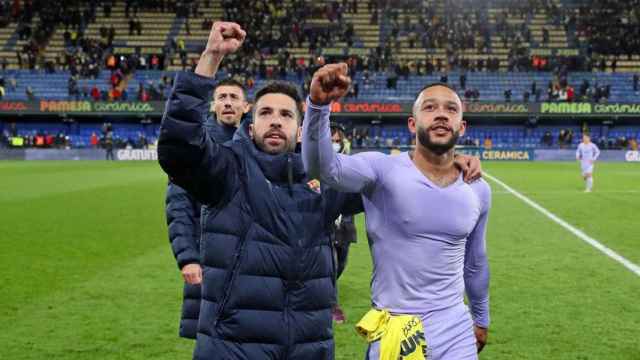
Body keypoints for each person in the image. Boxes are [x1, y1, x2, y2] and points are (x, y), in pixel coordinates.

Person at [157, 22, 367, 359]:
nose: (275, 120)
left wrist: (446, 160)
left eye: (286, 114)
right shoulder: (227, 170)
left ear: (300, 131)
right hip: (232, 346)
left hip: (308, 346)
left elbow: (388, 184)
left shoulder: (325, 180)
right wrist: (210, 57)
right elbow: (178, 148)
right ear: (250, 125)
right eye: (265, 112)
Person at [302, 63, 490, 360]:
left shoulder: (478, 188)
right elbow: (322, 168)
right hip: (395, 328)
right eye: (429, 107)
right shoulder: (382, 170)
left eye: (451, 109)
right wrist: (318, 107)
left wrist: (481, 318)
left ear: (461, 126)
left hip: (455, 328)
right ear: (412, 124)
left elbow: (475, 261)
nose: (441, 114)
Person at [165, 77, 249, 340]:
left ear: (246, 107)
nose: (227, 103)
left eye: (234, 97)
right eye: (222, 97)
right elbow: (178, 204)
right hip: (209, 256)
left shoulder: (255, 143)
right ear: (213, 105)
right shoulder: (197, 145)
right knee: (211, 339)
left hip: (252, 258)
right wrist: (187, 256)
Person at [329, 122, 357, 325]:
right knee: (332, 264)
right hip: (326, 225)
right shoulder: (314, 164)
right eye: (331, 141)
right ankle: (332, 305)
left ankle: (327, 288)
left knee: (342, 263)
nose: (335, 144)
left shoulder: (350, 166)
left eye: (337, 141)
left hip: (345, 224)